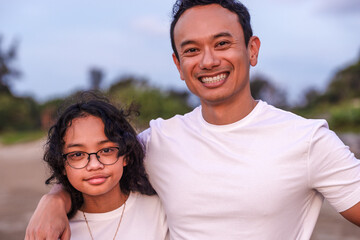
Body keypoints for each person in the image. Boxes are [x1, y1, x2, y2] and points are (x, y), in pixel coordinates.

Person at [26, 0, 360, 239]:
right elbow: (96, 163)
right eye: (191, 50)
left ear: (252, 49)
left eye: (223, 43)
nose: (209, 60)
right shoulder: (158, 140)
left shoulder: (307, 140)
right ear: (178, 64)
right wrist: (54, 199)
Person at [32, 94, 169, 240]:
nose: (94, 165)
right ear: (62, 165)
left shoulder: (160, 211)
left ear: (126, 155)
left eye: (106, 150)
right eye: (77, 154)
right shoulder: (54, 228)